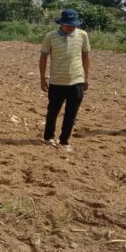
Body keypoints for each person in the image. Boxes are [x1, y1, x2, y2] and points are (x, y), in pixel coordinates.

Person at [39, 9, 90, 151]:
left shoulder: (83, 35)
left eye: (73, 25)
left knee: (71, 114)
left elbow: (85, 57)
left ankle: (64, 141)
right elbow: (43, 58)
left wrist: (86, 77)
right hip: (57, 82)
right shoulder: (50, 36)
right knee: (53, 111)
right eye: (68, 25)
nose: (71, 28)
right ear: (61, 23)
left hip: (76, 81)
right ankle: (48, 137)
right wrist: (42, 78)